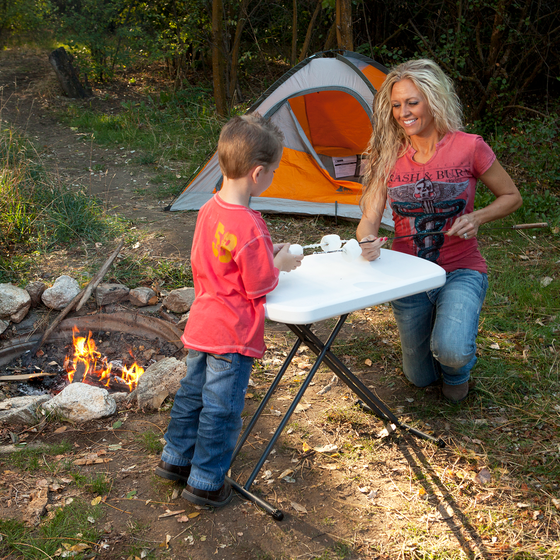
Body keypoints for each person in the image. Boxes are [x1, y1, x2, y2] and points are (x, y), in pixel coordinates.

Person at [155, 114, 303, 507]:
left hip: (203, 324)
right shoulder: (252, 226)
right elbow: (259, 285)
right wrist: (280, 263)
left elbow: (220, 260)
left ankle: (175, 459)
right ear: (258, 173)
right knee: (221, 409)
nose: (271, 177)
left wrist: (264, 255)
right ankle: (205, 481)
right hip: (232, 335)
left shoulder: (209, 209)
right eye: (272, 171)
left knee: (191, 396)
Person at [357, 59, 522, 403]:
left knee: (450, 352)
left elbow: (511, 196)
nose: (404, 112)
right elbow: (368, 219)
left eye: (412, 102)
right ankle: (444, 338)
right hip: (408, 275)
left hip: (461, 269)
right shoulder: (387, 155)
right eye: (397, 105)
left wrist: (478, 218)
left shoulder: (469, 147)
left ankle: (457, 365)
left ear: (434, 100)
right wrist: (366, 241)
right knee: (418, 378)